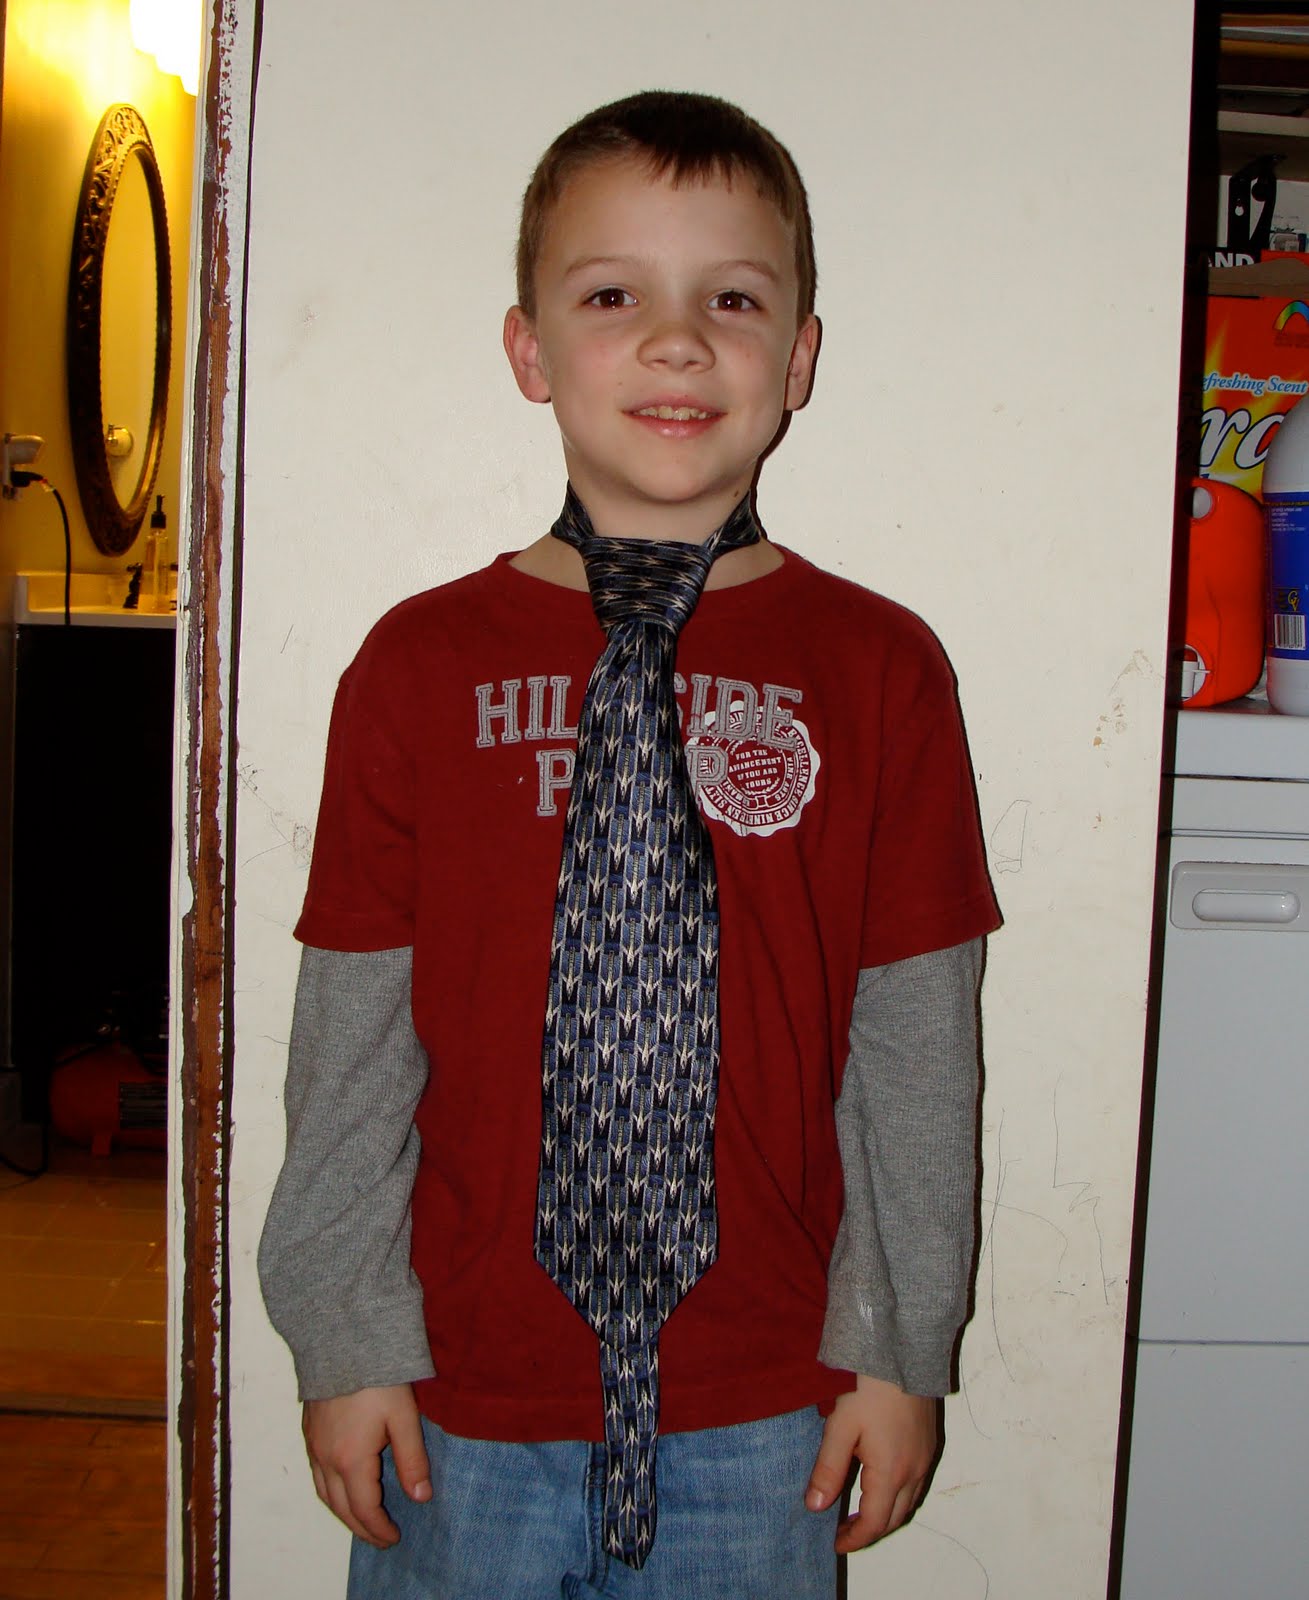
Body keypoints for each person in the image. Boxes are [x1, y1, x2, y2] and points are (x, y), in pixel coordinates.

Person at [259, 88, 1000, 1600]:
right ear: (529, 349)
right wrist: (343, 1337)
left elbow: (916, 1048)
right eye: (612, 297)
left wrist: (896, 1346)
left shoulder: (880, 671)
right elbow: (352, 1040)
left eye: (732, 300)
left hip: (768, 1407)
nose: (676, 342)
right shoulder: (417, 665)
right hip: (456, 1401)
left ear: (798, 359)